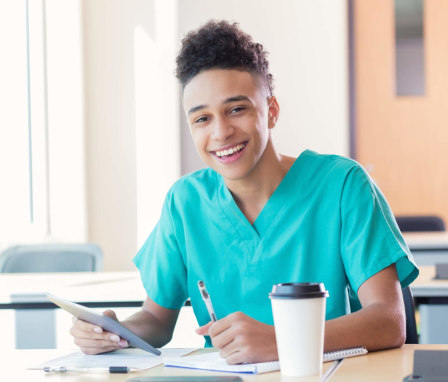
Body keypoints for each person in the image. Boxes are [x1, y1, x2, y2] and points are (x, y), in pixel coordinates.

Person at [70, 20, 419, 364]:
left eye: (236, 109)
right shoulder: (184, 202)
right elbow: (157, 320)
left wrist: (283, 342)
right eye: (201, 119)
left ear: (271, 111)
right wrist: (114, 332)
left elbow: (389, 321)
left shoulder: (343, 185)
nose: (220, 132)